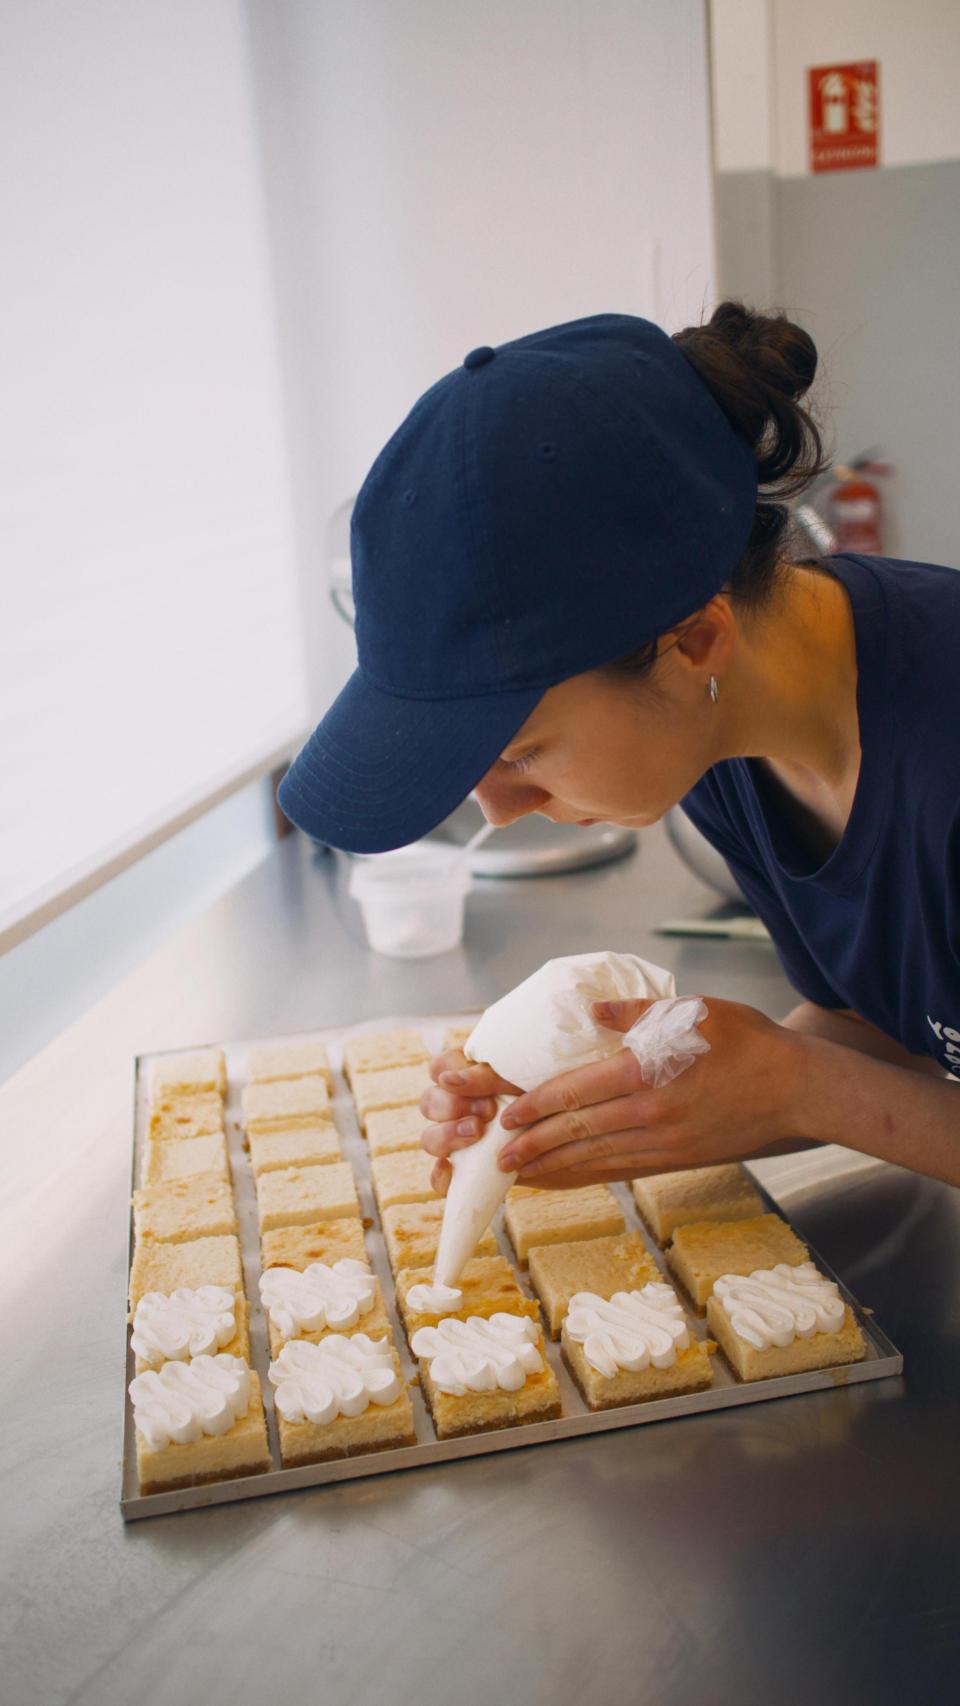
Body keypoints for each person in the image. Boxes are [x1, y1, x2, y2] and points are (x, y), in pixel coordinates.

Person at [278, 304, 960, 1190]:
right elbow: (887, 1023)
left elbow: (834, 1079)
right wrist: (626, 1095)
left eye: (520, 751)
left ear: (692, 643)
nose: (497, 809)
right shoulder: (718, 732)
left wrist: (800, 1087)